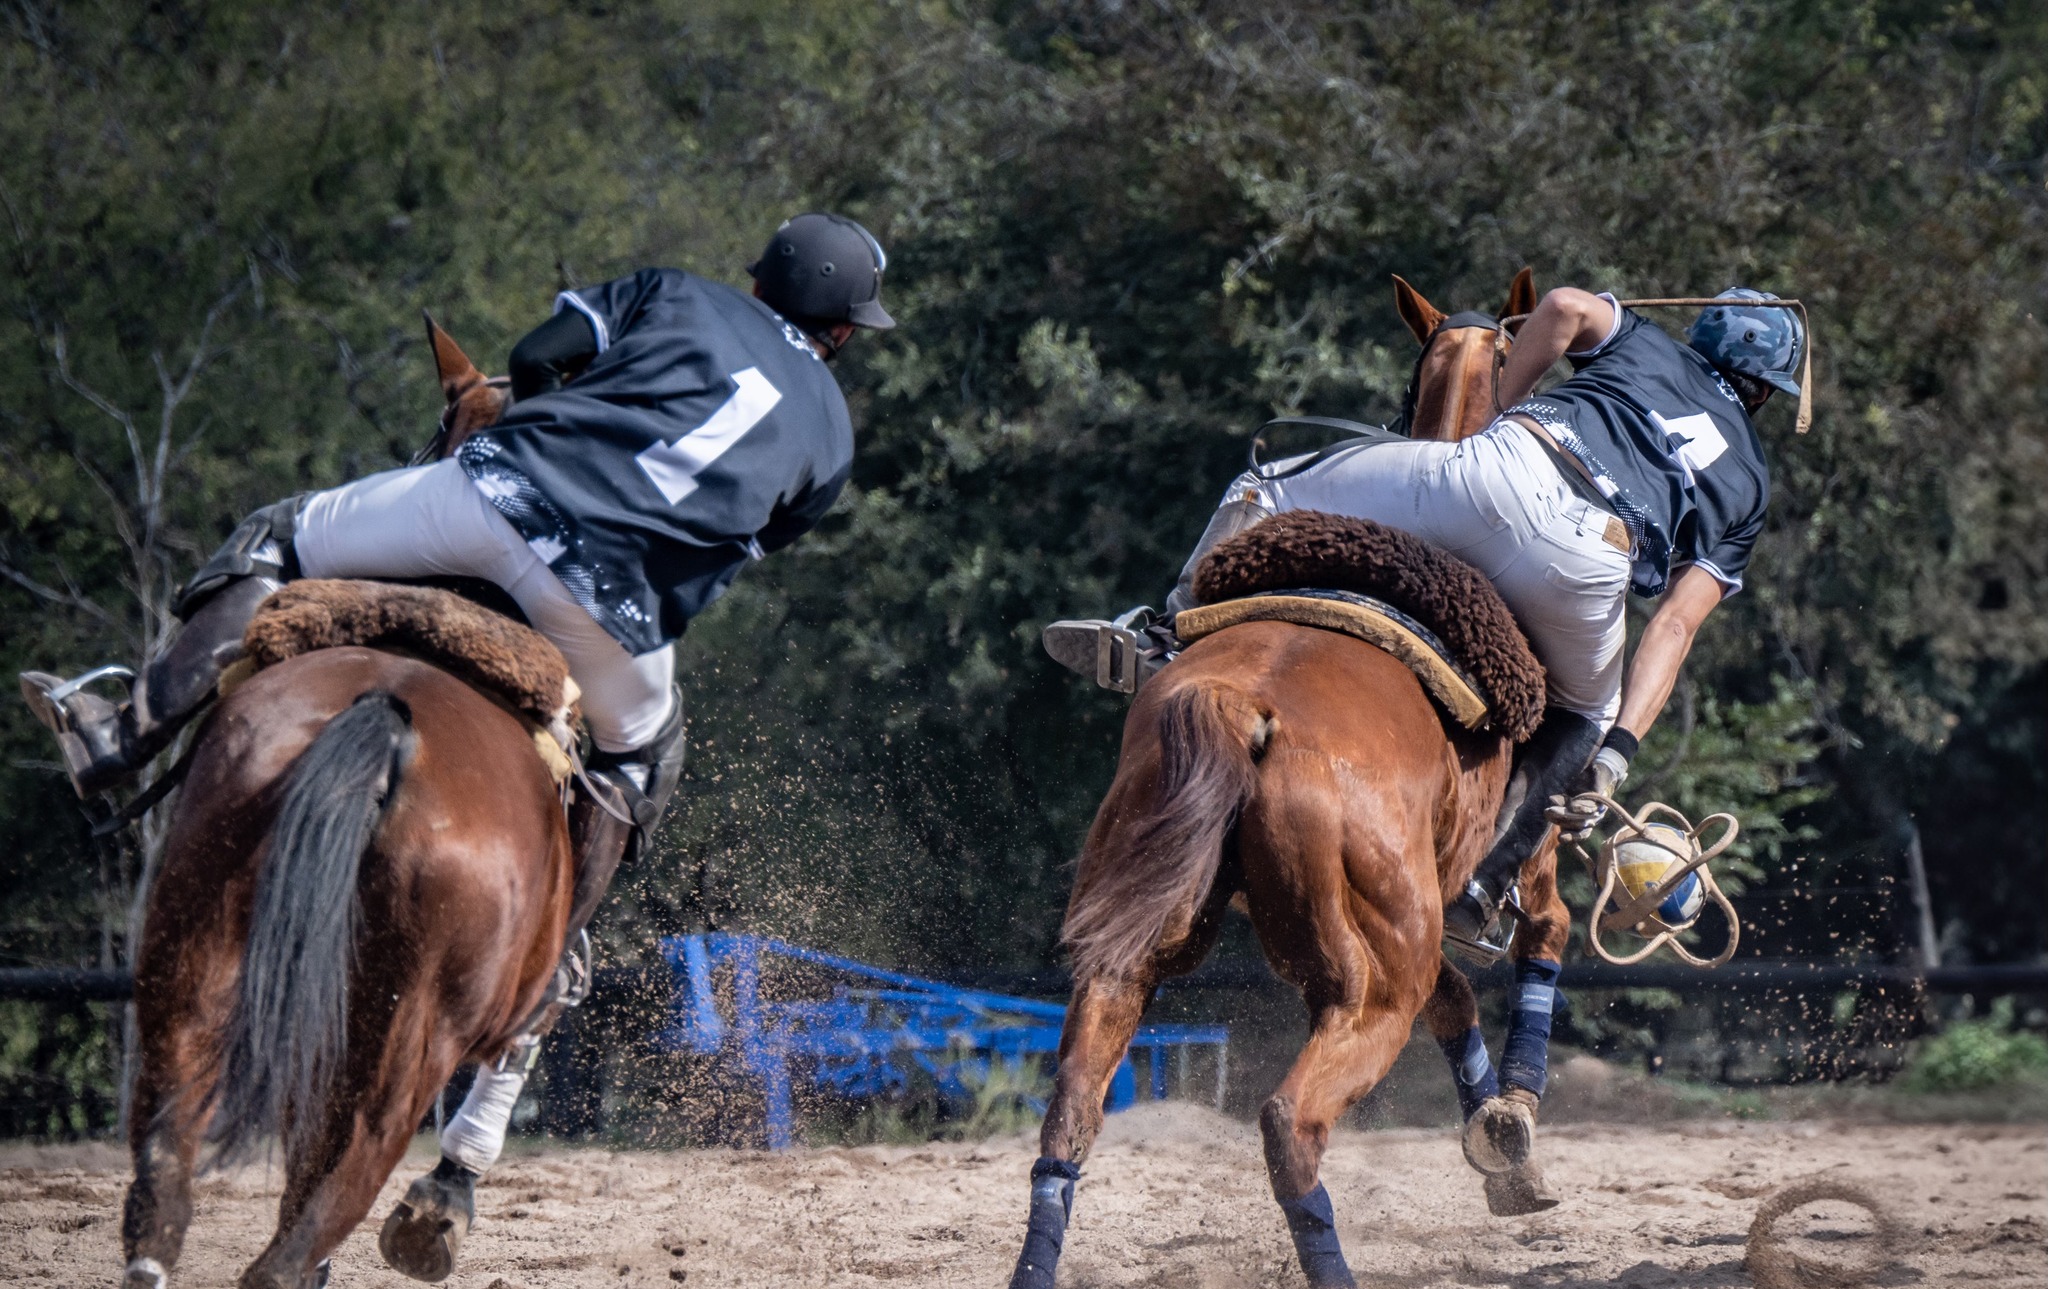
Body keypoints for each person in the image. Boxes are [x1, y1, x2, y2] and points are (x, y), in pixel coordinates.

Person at [22, 210, 896, 861]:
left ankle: (122, 729)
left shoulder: (675, 291)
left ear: (756, 284)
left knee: (279, 536)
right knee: (646, 754)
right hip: (608, 609)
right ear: (845, 331)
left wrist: (559, 429)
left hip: (490, 501)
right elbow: (734, 548)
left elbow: (536, 354)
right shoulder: (836, 443)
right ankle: (559, 952)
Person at [1043, 286, 1804, 961]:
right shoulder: (1749, 483)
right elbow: (1673, 626)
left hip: (1496, 472)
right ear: (1766, 394)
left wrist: (1505, 402)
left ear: (1700, 338)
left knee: (1263, 485)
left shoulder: (1643, 338)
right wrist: (1614, 758)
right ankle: (1483, 891)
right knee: (1589, 714)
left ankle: (1160, 639)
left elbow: (1566, 305)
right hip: (1588, 562)